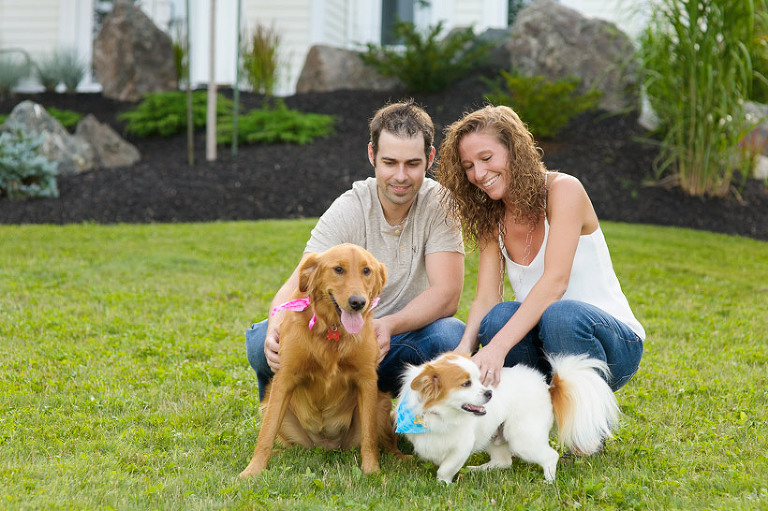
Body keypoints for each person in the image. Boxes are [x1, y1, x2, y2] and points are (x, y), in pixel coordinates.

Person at [246, 100, 465, 400]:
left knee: (449, 334)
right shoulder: (350, 207)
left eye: (412, 164)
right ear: (372, 155)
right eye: (390, 163)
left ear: (429, 158)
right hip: (342, 340)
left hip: (397, 343)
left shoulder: (440, 205)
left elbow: (447, 294)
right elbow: (303, 277)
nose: (400, 176)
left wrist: (388, 325)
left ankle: (402, 411)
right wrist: (275, 325)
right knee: (262, 341)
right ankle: (295, 416)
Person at [433, 104, 644, 391]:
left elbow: (556, 281)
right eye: (469, 166)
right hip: (549, 344)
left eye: (486, 158)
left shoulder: (564, 190)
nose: (479, 174)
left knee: (561, 314)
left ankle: (590, 429)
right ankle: (536, 411)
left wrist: (497, 348)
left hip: (612, 345)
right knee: (497, 318)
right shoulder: (492, 217)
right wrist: (463, 350)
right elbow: (486, 298)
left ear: (514, 151)